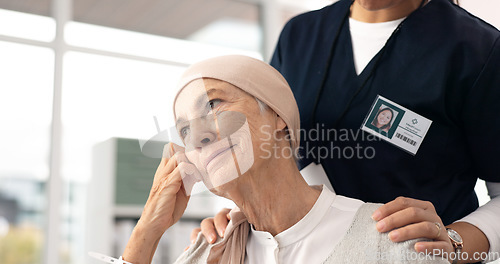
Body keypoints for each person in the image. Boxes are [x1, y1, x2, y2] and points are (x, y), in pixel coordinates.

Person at [195, 0, 500, 263]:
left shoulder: (477, 51)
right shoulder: (299, 37)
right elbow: (269, 153)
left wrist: (455, 244)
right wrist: (245, 217)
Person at [121, 55, 449, 264]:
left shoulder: (396, 242)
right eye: (184, 130)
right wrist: (148, 229)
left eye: (213, 105)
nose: (198, 136)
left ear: (278, 116)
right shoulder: (204, 253)